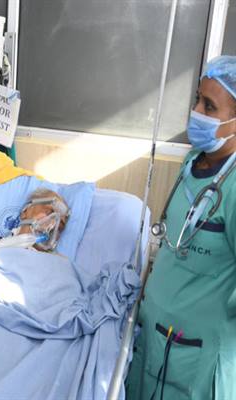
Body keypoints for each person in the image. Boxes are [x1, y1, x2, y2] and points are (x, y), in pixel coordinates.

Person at [126, 56, 236, 399]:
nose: (196, 112)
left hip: (195, 359)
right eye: (197, 100)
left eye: (209, 106)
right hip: (154, 339)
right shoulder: (192, 162)